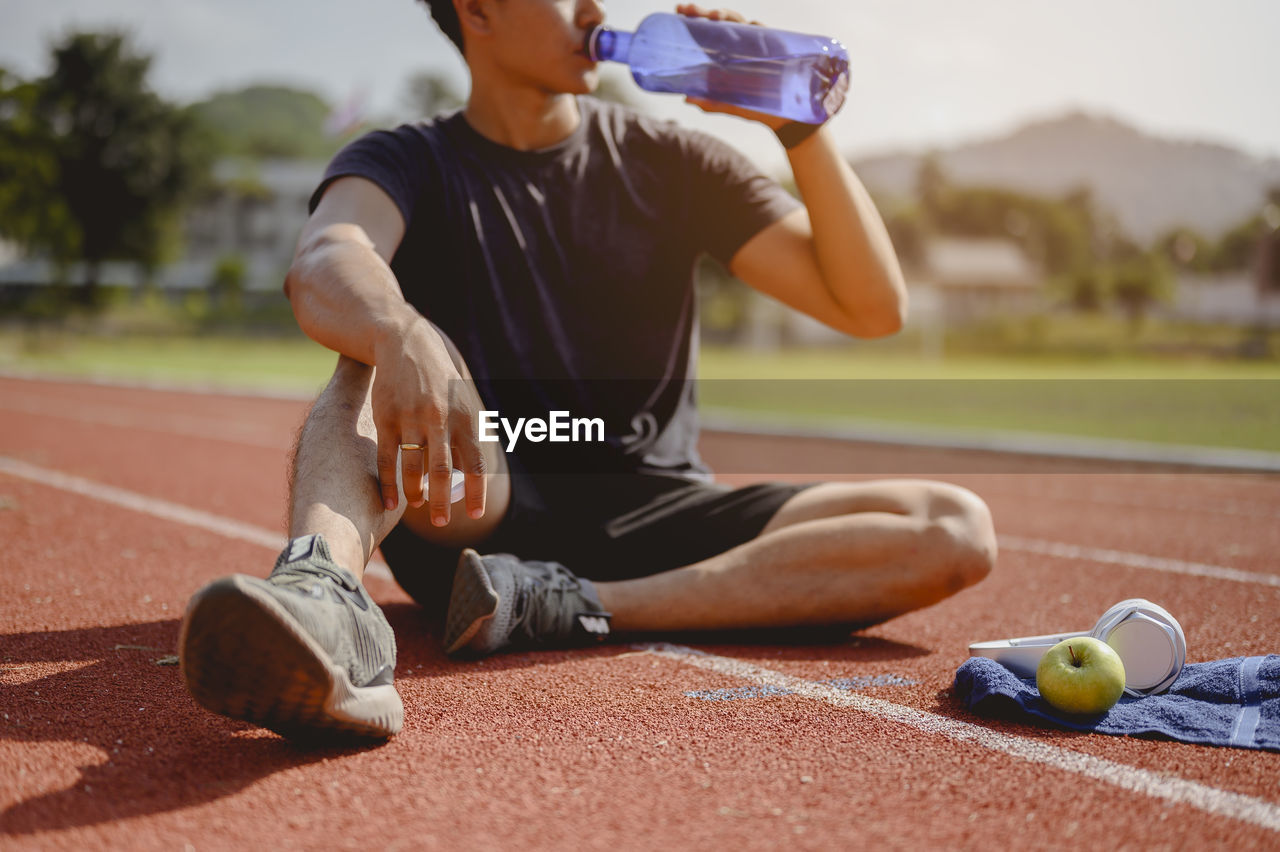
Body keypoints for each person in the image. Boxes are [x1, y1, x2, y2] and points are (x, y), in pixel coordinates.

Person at [178, 0, 996, 742]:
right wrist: (397, 329)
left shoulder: (672, 159)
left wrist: (799, 129)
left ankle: (565, 605)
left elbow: (870, 307)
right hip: (475, 499)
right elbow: (325, 259)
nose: (597, 10)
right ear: (480, 11)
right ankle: (324, 595)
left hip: (659, 508)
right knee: (363, 357)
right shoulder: (405, 160)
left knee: (953, 528)